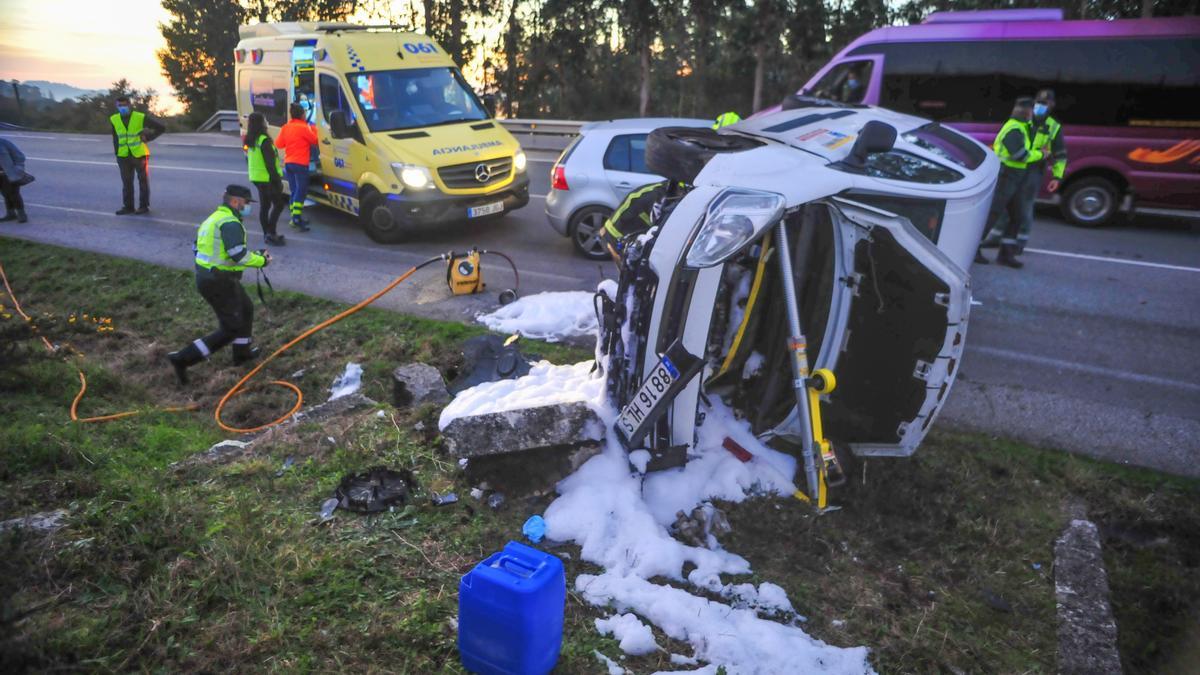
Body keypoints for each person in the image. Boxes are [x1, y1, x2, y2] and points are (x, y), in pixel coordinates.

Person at [167, 185, 271, 385]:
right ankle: (182, 359)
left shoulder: (214, 218)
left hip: (215, 277)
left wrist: (254, 256)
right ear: (235, 201)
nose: (248, 206)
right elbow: (238, 255)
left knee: (246, 308)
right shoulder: (230, 223)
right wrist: (262, 261)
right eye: (247, 202)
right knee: (230, 328)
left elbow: (199, 247)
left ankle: (242, 354)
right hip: (218, 282)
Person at [982, 88, 1068, 252]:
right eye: (1039, 102)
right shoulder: (1023, 121)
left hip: (1033, 170)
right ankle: (995, 238)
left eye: (1046, 103)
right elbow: (1019, 151)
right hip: (1016, 168)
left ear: (1052, 105)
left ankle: (1017, 243)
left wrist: (1057, 176)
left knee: (1023, 208)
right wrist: (1040, 154)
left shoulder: (1052, 126)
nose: (1041, 106)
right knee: (1007, 207)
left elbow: (1060, 154)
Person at [976, 97, 1043, 269]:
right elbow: (1019, 155)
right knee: (993, 214)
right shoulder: (1014, 129)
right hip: (1006, 176)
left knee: (1017, 216)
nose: (1034, 113)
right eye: (1032, 110)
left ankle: (1006, 254)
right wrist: (1041, 154)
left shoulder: (1022, 127)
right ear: (1027, 111)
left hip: (1016, 177)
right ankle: (972, 249)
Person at [109, 95, 165, 215]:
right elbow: (115, 137)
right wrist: (117, 153)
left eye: (124, 105)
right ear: (116, 106)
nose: (122, 107)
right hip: (123, 156)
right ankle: (128, 207)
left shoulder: (139, 117)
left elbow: (161, 128)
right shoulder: (114, 119)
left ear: (129, 105)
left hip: (139, 154)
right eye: (120, 106)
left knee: (142, 181)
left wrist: (148, 137)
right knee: (126, 182)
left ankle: (143, 206)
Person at [243, 112, 288, 245]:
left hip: (256, 177)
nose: (266, 122)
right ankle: (271, 233)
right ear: (261, 123)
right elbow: (270, 164)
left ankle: (266, 234)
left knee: (265, 206)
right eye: (264, 120)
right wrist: (277, 181)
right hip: (267, 178)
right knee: (279, 205)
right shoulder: (264, 140)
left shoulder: (251, 139)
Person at [275, 103, 319, 232]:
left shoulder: (286, 127)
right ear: (302, 115)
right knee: (301, 191)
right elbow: (315, 141)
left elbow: (279, 144)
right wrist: (314, 129)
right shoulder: (304, 128)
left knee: (294, 190)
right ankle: (296, 219)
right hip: (300, 164)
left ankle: (294, 217)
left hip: (289, 163)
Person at [0, 137, 30, 223]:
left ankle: (22, 215)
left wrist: (18, 169)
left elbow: (20, 156)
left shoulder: (4, 142)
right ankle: (10, 214)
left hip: (10, 173)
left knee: (13, 194)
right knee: (5, 194)